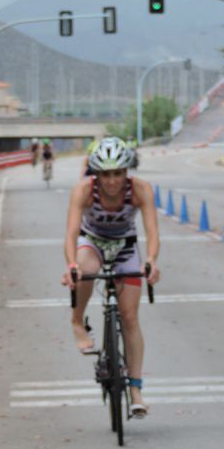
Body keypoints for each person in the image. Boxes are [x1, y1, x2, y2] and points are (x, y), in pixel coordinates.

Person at [61, 137, 161, 417]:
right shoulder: (83, 190)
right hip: (92, 241)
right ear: (97, 174)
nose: (113, 181)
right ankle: (77, 321)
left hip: (125, 246)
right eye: (106, 174)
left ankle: (136, 389)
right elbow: (70, 233)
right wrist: (71, 265)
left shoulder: (141, 190)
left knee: (130, 317)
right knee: (86, 270)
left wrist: (151, 260)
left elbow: (152, 232)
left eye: (118, 173)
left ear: (126, 171)